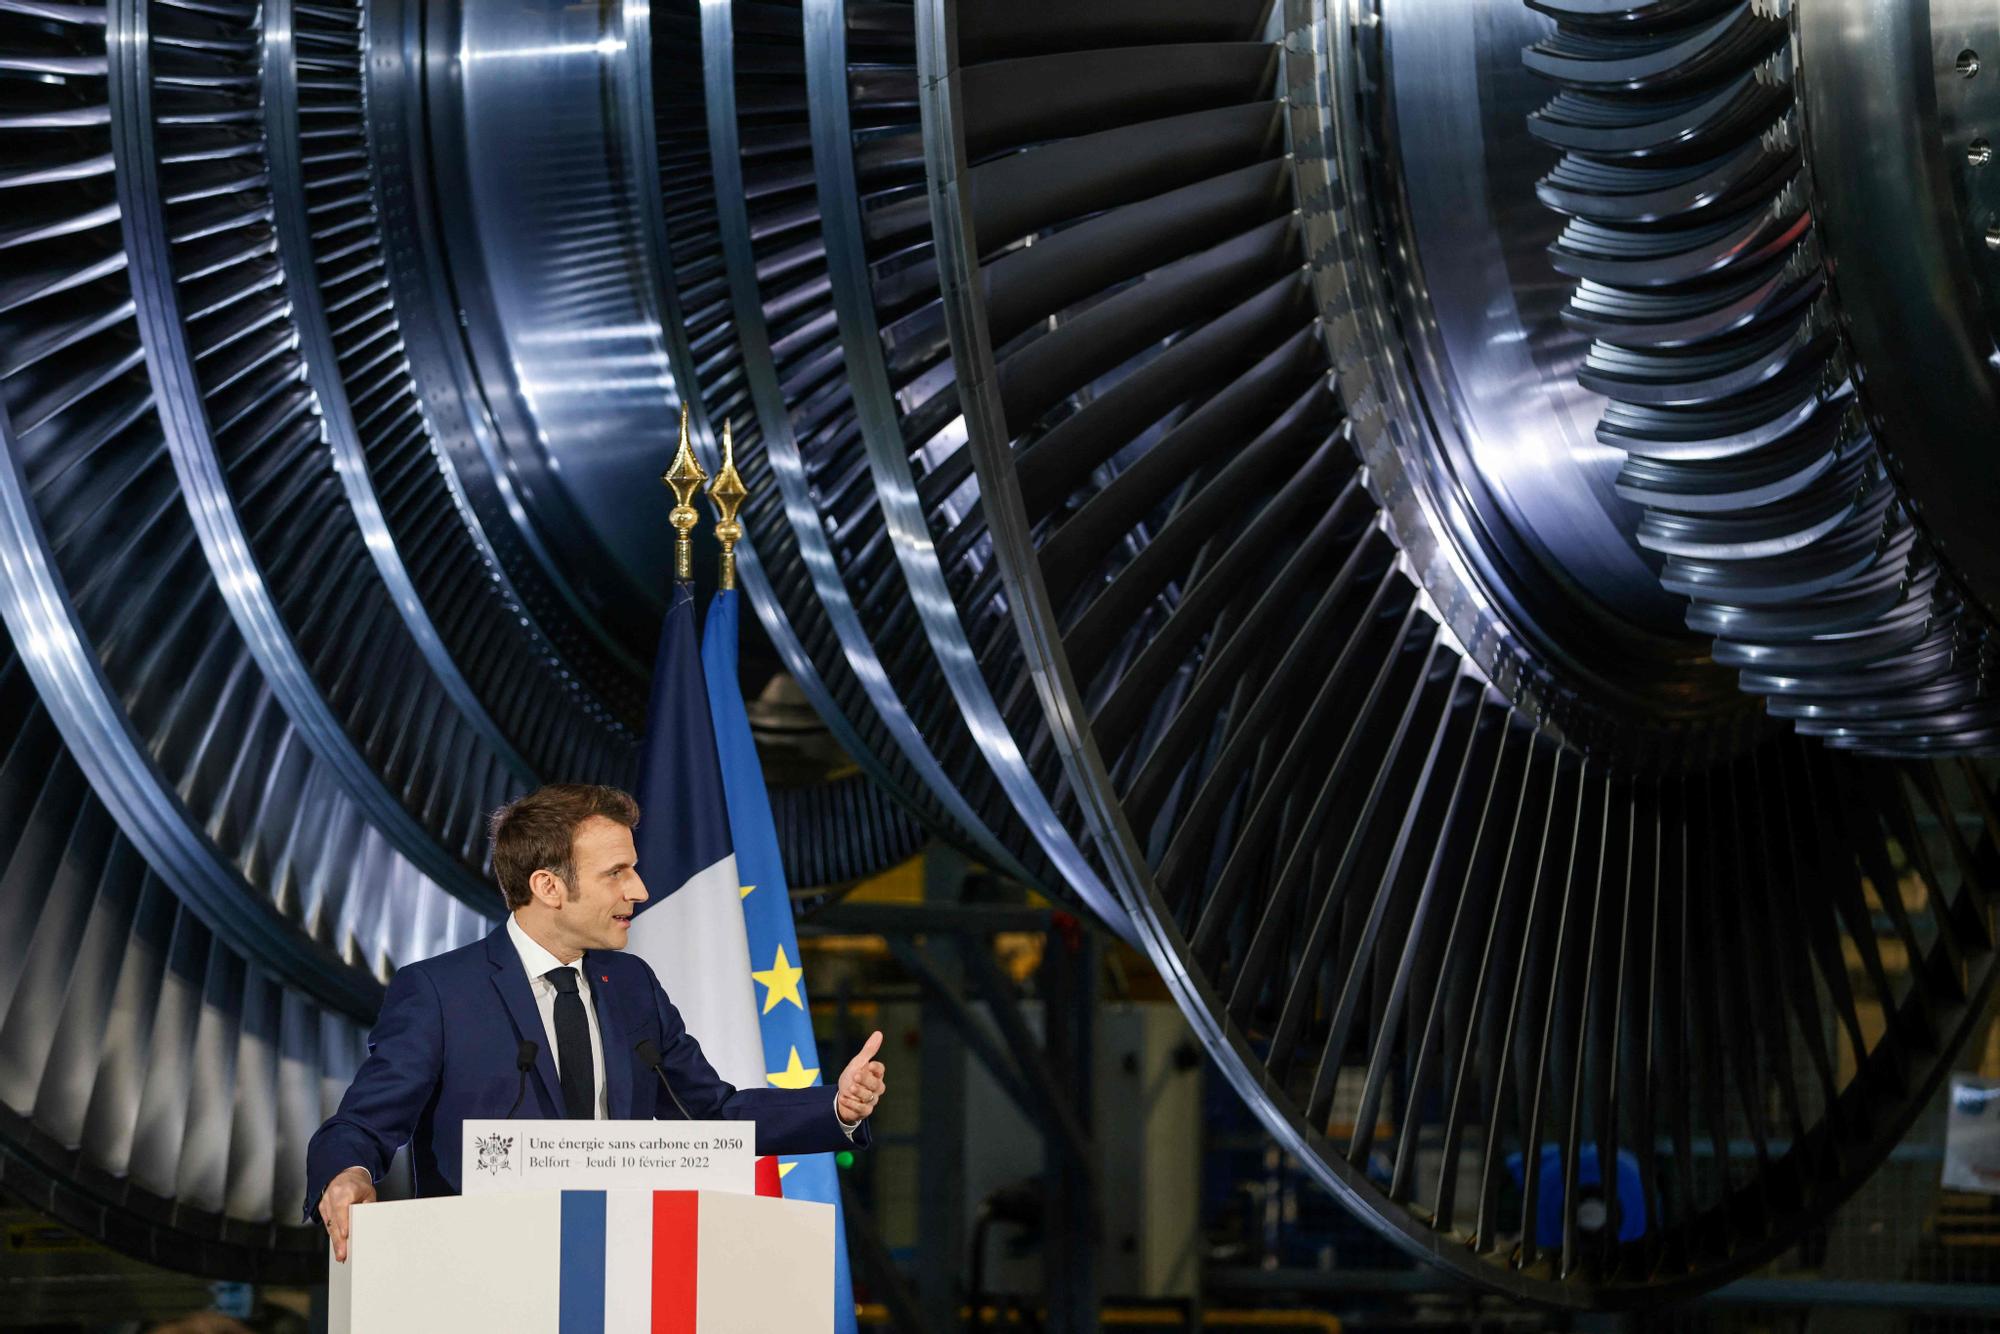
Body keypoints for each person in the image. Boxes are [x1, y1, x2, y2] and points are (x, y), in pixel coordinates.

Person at [305, 784, 887, 1261]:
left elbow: (711, 1113)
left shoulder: (632, 984)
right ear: (548, 886)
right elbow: (363, 1123)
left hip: (624, 1269)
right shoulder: (440, 991)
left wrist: (834, 1106)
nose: (639, 889)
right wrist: (347, 1174)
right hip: (483, 1271)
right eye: (618, 872)